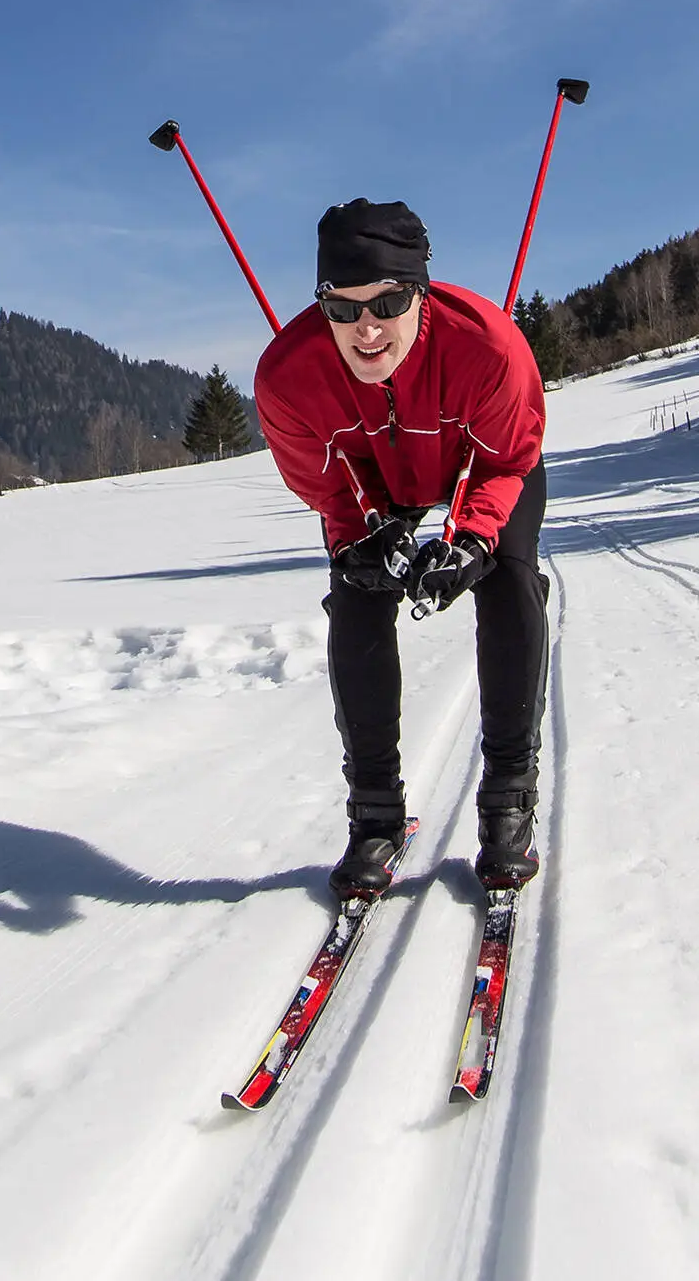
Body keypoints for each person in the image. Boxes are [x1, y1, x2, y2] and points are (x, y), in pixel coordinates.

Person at [253, 199, 550, 900]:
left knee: (508, 580)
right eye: (342, 307)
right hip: (378, 479)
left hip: (481, 461)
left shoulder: (490, 348)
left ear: (421, 290)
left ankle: (508, 798)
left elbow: (507, 458)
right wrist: (363, 541)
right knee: (356, 602)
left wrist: (472, 538)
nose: (366, 328)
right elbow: (327, 488)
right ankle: (374, 815)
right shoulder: (286, 377)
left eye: (388, 301)